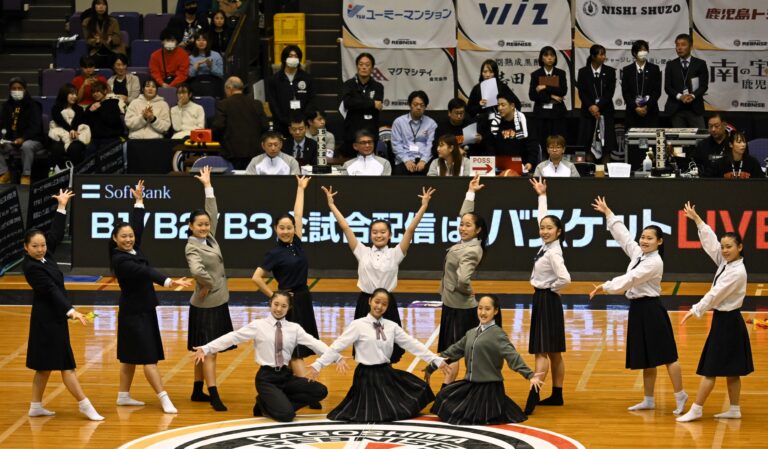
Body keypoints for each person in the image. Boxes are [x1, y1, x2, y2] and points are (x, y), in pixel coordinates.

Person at [589, 196, 688, 415]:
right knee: (646, 358)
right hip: (637, 310)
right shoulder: (639, 254)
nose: (644, 241)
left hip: (652, 310)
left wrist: (605, 286)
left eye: (649, 238)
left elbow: (630, 279)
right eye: (643, 237)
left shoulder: (654, 262)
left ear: (659, 242)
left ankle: (680, 395)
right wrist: (609, 213)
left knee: (668, 357)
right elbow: (624, 237)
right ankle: (648, 400)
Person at [321, 183, 435, 364]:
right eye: (374, 232)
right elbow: (346, 227)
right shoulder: (362, 251)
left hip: (387, 303)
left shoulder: (396, 253)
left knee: (389, 347)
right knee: (365, 346)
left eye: (383, 232)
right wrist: (331, 205)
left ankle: (386, 374)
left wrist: (424, 206)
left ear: (389, 235)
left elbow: (410, 230)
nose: (378, 235)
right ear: (370, 234)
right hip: (365, 303)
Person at [195, 291, 341, 421]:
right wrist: (206, 348)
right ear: (270, 303)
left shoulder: (294, 328)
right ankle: (267, 404)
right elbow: (233, 337)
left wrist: (336, 357)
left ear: (289, 308)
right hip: (266, 379)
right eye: (276, 304)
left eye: (283, 306)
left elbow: (315, 343)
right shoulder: (258, 325)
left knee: (320, 391)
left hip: (286, 376)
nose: (279, 309)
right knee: (287, 416)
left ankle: (270, 403)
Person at [110, 180, 192, 413]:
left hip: (142, 309)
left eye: (130, 236)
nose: (129, 239)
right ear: (115, 239)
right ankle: (164, 398)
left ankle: (123, 396)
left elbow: (137, 226)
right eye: (123, 237)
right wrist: (169, 281)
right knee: (148, 358)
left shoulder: (133, 248)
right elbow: (146, 271)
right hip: (134, 313)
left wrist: (138, 201)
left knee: (129, 356)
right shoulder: (121, 260)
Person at [23, 189, 104, 421]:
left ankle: (35, 406)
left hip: (52, 318)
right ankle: (85, 405)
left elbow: (56, 234)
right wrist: (71, 311)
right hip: (47, 321)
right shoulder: (32, 267)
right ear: (26, 247)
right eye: (35, 246)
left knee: (44, 366)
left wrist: (61, 206)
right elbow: (51, 290)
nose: (41, 248)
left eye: (42, 245)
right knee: (66, 365)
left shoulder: (45, 256)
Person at [307, 288, 446, 422]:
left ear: (387, 307)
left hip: (386, 374)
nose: (379, 306)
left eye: (384, 304)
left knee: (419, 390)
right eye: (377, 302)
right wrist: (319, 364)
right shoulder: (358, 325)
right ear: (370, 301)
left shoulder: (392, 326)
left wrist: (435, 359)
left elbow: (412, 344)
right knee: (373, 413)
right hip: (366, 377)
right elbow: (337, 346)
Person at [676, 202, 753, 422]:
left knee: (710, 369)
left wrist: (695, 310)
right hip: (728, 321)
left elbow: (715, 294)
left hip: (728, 323)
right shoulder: (726, 263)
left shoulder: (736, 272)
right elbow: (710, 243)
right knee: (733, 369)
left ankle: (696, 409)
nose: (724, 250)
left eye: (729, 246)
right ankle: (734, 409)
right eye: (723, 246)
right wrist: (697, 220)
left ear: (740, 247)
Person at [427, 294, 544, 425]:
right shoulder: (471, 333)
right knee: (442, 398)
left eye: (487, 309)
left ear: (495, 311)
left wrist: (530, 375)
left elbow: (513, 357)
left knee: (471, 416)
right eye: (480, 308)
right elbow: (453, 351)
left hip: (489, 389)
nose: (482, 312)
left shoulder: (498, 335)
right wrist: (432, 366)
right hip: (471, 384)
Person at [251, 176, 319, 384]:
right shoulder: (274, 253)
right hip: (288, 302)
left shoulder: (296, 243)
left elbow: (298, 214)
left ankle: (289, 384)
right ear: (275, 229)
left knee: (299, 347)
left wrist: (301, 188)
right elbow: (256, 278)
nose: (286, 231)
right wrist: (274, 296)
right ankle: (305, 390)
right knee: (295, 351)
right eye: (282, 228)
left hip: (303, 297)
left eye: (289, 227)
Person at [185, 167, 235, 412]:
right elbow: (196, 270)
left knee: (200, 349)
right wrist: (209, 283)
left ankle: (197, 390)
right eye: (200, 225)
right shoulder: (192, 246)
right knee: (209, 351)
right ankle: (214, 394)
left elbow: (212, 212)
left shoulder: (210, 238)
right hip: (206, 305)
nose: (205, 227)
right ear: (191, 226)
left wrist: (208, 186)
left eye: (206, 224)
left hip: (216, 301)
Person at [524, 178, 571, 415]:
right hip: (546, 300)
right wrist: (541, 195)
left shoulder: (554, 253)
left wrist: (551, 288)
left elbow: (565, 278)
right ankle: (557, 395)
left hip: (546, 299)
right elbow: (542, 217)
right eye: (542, 228)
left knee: (541, 350)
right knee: (554, 351)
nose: (544, 231)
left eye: (549, 228)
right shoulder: (548, 245)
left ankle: (533, 397)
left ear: (558, 232)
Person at [439, 175, 487, 384]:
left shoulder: (472, 250)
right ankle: (451, 388)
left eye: (468, 226)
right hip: (452, 303)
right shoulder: (467, 242)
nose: (462, 228)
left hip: (460, 308)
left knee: (454, 351)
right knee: (453, 350)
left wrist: (468, 291)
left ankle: (447, 388)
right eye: (461, 225)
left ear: (478, 230)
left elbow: (462, 280)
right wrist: (471, 192)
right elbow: (465, 214)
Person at [212, 76, 268, 169]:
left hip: (232, 153)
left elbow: (218, 126)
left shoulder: (223, 104)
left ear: (229, 88)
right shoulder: (256, 104)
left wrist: (217, 140)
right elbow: (265, 126)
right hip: (255, 152)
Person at [621, 40, 661, 169]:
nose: (643, 52)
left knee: (650, 143)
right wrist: (636, 107)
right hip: (633, 114)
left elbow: (657, 91)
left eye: (645, 50)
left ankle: (651, 168)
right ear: (634, 53)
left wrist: (646, 106)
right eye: (640, 50)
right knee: (634, 144)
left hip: (650, 113)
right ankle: (633, 168)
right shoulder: (627, 70)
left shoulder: (654, 69)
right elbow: (625, 92)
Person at [0, 77, 45, 185]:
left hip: (33, 139)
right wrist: (2, 139)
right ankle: (4, 173)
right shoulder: (6, 106)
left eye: (19, 88)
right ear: (10, 90)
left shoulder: (34, 105)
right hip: (12, 141)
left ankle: (26, 175)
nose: (17, 91)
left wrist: (23, 138)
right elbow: (2, 125)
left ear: (25, 89)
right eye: (14, 88)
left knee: (26, 146)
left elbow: (36, 127)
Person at [577, 44, 617, 163]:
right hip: (588, 113)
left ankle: (605, 169)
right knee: (588, 144)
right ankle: (589, 169)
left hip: (605, 112)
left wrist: (598, 107)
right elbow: (582, 92)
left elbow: (609, 92)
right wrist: (591, 106)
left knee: (606, 145)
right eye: (601, 54)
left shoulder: (610, 71)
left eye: (604, 54)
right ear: (593, 56)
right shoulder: (583, 72)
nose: (604, 57)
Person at [266, 45, 315, 139]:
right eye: (290, 56)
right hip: (281, 125)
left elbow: (311, 100)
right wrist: (283, 120)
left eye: (296, 56)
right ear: (284, 58)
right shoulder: (274, 79)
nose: (293, 58)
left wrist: (303, 119)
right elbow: (272, 103)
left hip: (302, 125)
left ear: (299, 59)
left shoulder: (307, 78)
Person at [341, 53, 383, 158]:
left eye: (367, 65)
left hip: (371, 133)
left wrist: (357, 102)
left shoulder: (378, 87)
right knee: (351, 163)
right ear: (357, 66)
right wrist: (371, 103)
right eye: (361, 64)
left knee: (370, 164)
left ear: (372, 68)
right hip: (351, 133)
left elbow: (377, 106)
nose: (364, 67)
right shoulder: (348, 84)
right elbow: (347, 103)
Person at [483, 91, 536, 172]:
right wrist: (493, 163)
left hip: (522, 166)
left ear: (512, 106)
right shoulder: (494, 124)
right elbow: (490, 147)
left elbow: (532, 145)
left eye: (503, 105)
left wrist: (530, 162)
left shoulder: (524, 122)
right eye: (498, 105)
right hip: (499, 168)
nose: (499, 108)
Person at [664, 34, 709, 129]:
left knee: (700, 136)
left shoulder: (700, 64)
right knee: (679, 137)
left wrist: (692, 96)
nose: (679, 48)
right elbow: (667, 87)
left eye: (683, 44)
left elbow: (703, 86)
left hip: (695, 108)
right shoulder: (671, 65)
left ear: (691, 46)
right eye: (677, 45)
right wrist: (680, 97)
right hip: (676, 109)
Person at [528, 46, 568, 151]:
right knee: (542, 140)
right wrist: (551, 96)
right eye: (546, 55)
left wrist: (545, 87)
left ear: (555, 58)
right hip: (542, 113)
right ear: (541, 58)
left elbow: (563, 91)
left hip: (557, 113)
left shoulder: (560, 73)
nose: (549, 58)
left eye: (552, 55)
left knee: (558, 140)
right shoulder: (536, 74)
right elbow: (532, 95)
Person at [391, 90, 437, 175]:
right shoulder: (399, 122)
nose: (419, 107)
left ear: (425, 107)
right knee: (399, 173)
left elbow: (431, 145)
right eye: (415, 104)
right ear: (410, 105)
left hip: (424, 160)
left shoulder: (431, 123)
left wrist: (423, 161)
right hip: (404, 159)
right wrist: (406, 160)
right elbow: (396, 144)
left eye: (422, 105)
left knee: (431, 173)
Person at [48, 84, 90, 168]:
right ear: (64, 94)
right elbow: (60, 122)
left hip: (76, 135)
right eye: (72, 94)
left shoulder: (79, 109)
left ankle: (76, 172)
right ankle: (55, 171)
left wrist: (73, 131)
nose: (75, 96)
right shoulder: (56, 108)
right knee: (57, 148)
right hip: (60, 134)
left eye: (76, 94)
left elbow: (77, 123)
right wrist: (70, 130)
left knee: (74, 148)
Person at [84, 80, 124, 156]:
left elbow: (113, 122)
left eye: (98, 91)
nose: (95, 94)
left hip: (111, 137)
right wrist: (90, 112)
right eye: (93, 92)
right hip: (95, 138)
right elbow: (87, 124)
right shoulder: (90, 107)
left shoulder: (113, 103)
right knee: (89, 153)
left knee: (105, 153)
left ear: (105, 91)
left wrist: (100, 109)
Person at [81, 0, 125, 68]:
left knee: (115, 60)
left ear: (106, 7)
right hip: (97, 50)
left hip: (113, 49)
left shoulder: (113, 21)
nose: (101, 7)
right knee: (94, 61)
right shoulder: (87, 22)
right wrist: (96, 41)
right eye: (98, 4)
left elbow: (118, 38)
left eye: (104, 4)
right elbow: (87, 39)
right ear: (94, 6)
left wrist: (111, 40)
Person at [188, 32, 224, 98]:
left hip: (213, 83)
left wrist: (211, 66)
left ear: (208, 42)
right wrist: (196, 65)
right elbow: (189, 76)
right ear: (195, 42)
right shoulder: (191, 57)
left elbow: (221, 74)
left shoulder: (216, 55)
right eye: (198, 40)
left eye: (204, 40)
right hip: (196, 83)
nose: (201, 42)